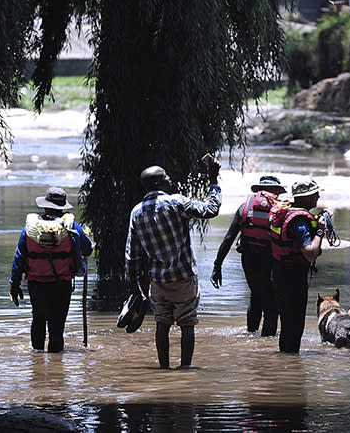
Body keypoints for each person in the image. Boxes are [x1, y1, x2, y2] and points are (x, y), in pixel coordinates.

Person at [125, 158, 221, 369]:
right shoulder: (176, 202)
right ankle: (186, 369)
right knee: (187, 323)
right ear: (159, 184)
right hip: (184, 277)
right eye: (166, 177)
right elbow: (211, 210)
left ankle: (164, 369)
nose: (170, 180)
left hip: (158, 281)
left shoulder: (136, 212)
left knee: (162, 322)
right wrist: (213, 180)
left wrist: (135, 286)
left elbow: (132, 255)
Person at [9, 187, 93, 353]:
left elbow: (19, 258)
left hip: (36, 284)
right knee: (57, 325)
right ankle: (57, 367)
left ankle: (36, 361)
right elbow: (88, 250)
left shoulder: (31, 228)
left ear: (45, 206)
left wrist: (14, 283)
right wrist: (85, 235)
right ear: (62, 207)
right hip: (61, 285)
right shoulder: (71, 227)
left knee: (38, 319)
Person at [211, 175, 287, 336]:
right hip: (271, 260)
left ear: (259, 191)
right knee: (271, 304)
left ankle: (251, 336)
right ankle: (266, 347)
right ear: (276, 191)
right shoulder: (281, 210)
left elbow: (228, 239)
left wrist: (217, 266)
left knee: (256, 296)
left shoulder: (244, 208)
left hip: (249, 259)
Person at [267, 178, 328, 353]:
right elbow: (310, 254)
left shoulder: (286, 212)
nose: (318, 196)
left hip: (279, 273)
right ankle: (290, 367)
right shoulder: (300, 221)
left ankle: (283, 362)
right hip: (293, 278)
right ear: (305, 197)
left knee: (287, 324)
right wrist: (320, 231)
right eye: (315, 193)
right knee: (294, 325)